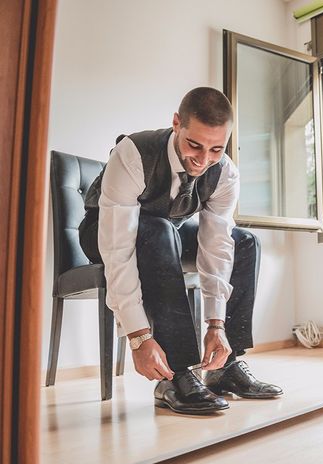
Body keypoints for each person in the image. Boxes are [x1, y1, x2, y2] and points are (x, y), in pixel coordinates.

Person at [78, 87, 283, 415]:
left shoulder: (225, 172)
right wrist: (138, 337)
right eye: (194, 145)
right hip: (101, 231)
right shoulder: (132, 153)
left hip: (164, 233)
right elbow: (117, 248)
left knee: (244, 241)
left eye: (216, 149)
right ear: (177, 124)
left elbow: (216, 246)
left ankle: (224, 366)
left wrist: (216, 325)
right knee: (158, 230)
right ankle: (175, 375)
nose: (203, 160)